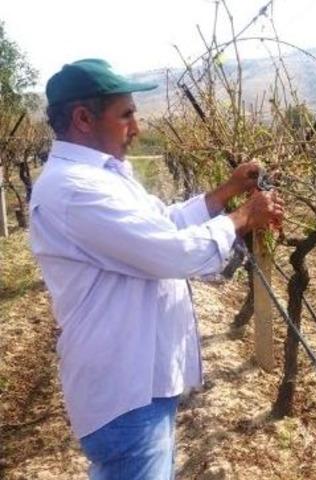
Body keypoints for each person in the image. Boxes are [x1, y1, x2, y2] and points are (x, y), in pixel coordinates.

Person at [28, 58, 285, 479]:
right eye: (126, 115)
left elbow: (162, 223)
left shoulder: (101, 177)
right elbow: (170, 252)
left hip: (139, 382)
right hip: (126, 389)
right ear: (83, 119)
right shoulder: (75, 189)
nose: (137, 127)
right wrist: (244, 217)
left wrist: (228, 191)